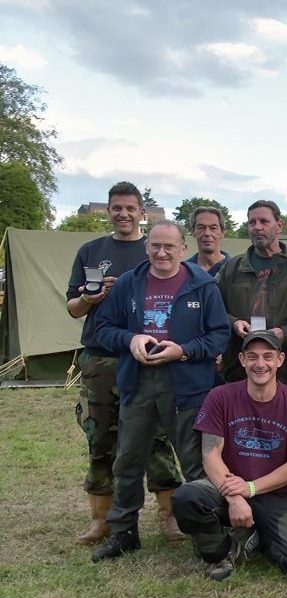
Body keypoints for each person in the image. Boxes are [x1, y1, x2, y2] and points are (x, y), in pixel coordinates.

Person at [90, 221, 230, 561]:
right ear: (146, 247)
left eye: (169, 246)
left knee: (195, 462)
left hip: (187, 384)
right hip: (138, 382)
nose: (162, 253)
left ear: (183, 248)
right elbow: (101, 330)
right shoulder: (128, 284)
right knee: (128, 459)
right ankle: (124, 531)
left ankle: (205, 534)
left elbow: (219, 336)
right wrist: (130, 339)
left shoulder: (202, 285)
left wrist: (182, 350)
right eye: (155, 246)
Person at [65, 181, 184, 545]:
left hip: (148, 358)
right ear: (109, 210)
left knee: (157, 438)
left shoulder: (156, 251)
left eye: (130, 208)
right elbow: (72, 308)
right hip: (101, 357)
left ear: (142, 213)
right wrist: (94, 298)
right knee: (101, 436)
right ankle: (101, 520)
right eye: (117, 207)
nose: (123, 214)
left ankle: (170, 517)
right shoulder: (91, 250)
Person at [171, 330, 287, 581]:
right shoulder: (219, 396)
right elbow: (210, 454)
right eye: (252, 357)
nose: (260, 364)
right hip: (228, 487)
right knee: (187, 497)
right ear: (242, 360)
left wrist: (251, 488)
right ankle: (220, 551)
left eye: (268, 356)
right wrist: (234, 496)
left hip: (276, 492)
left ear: (280, 360)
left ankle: (262, 534)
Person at [216, 199, 287, 388]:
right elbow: (213, 309)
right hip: (240, 373)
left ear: (279, 226)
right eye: (252, 222)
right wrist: (234, 322)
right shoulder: (231, 268)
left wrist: (286, 332)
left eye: (264, 221)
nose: (257, 227)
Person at [187, 206, 230, 276]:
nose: (207, 233)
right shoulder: (184, 271)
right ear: (193, 232)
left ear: (222, 233)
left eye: (213, 228)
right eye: (201, 228)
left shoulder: (236, 270)